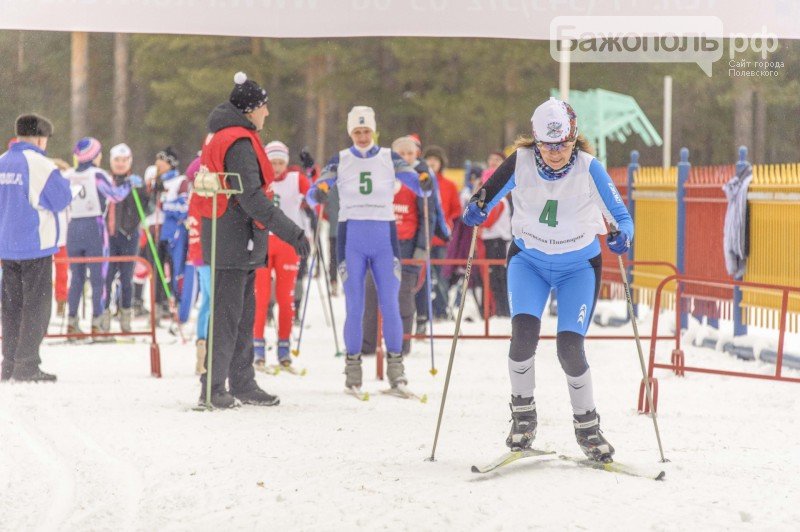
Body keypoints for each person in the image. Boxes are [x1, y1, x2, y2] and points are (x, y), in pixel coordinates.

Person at [462, 97, 633, 462]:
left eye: (563, 144)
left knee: (569, 348)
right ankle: (523, 416)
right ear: (536, 141)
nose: (556, 153)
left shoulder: (589, 168)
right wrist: (475, 209)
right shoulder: (520, 163)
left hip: (578, 267)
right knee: (523, 338)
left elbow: (620, 214)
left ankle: (588, 427)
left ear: (574, 138)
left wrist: (623, 235)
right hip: (530, 263)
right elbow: (484, 197)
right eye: (547, 145)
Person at [198, 71, 309, 408]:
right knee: (228, 316)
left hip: (232, 235)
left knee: (243, 315)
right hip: (234, 236)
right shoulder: (240, 142)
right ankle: (213, 387)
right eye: (263, 107)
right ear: (250, 109)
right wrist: (293, 233)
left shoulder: (228, 135)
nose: (267, 113)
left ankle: (242, 382)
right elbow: (252, 199)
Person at [307, 106, 433, 392]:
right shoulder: (340, 159)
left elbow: (419, 186)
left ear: (374, 131)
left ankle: (396, 371)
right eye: (357, 131)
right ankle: (353, 372)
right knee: (355, 305)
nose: (362, 136)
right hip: (352, 237)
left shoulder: (390, 157)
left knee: (390, 304)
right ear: (351, 132)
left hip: (383, 238)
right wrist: (320, 191)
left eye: (366, 131)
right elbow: (317, 187)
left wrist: (425, 179)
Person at [0, 114, 72, 381]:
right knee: (36, 307)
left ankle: (9, 363)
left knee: (11, 307)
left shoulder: (3, 162)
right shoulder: (39, 163)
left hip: (7, 246)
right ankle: (27, 364)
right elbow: (61, 198)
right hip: (34, 245)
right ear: (41, 138)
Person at [64, 137, 132, 336]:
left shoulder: (68, 174)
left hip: (73, 227)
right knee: (98, 278)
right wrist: (127, 185)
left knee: (76, 278)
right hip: (94, 227)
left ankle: (71, 321)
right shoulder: (97, 174)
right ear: (94, 155)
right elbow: (115, 195)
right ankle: (97, 322)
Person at [253, 141, 310, 370]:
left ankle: (284, 348)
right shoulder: (258, 178)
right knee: (261, 297)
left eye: (280, 163)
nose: (276, 167)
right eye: (272, 162)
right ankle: (258, 347)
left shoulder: (296, 179)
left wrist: (314, 177)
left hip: (288, 243)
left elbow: (315, 195)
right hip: (264, 242)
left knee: (286, 299)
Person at [415, 145, 459, 329]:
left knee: (441, 277)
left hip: (440, 239)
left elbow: (456, 210)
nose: (432, 162)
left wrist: (446, 223)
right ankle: (423, 311)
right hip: (422, 238)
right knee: (421, 277)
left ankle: (441, 309)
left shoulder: (448, 185)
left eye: (436, 160)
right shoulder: (418, 180)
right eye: (429, 159)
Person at [102, 143, 144, 332]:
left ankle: (125, 316)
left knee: (127, 279)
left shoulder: (135, 182)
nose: (120, 164)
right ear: (111, 161)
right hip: (109, 236)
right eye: (117, 160)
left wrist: (144, 190)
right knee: (107, 278)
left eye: (124, 160)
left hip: (129, 235)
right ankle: (104, 317)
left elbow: (145, 208)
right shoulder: (105, 181)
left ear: (130, 161)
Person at [154, 147, 188, 318]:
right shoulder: (155, 181)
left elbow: (184, 207)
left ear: (170, 163)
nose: (157, 164)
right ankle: (158, 307)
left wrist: (166, 204)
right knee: (156, 273)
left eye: (162, 161)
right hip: (157, 233)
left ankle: (179, 307)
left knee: (177, 271)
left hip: (174, 234)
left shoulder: (181, 181)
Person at [480, 152, 511, 317]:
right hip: (491, 239)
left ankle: (502, 309)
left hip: (497, 239)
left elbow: (488, 220)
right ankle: (496, 308)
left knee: (498, 276)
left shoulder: (499, 199)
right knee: (493, 276)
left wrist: (478, 223)